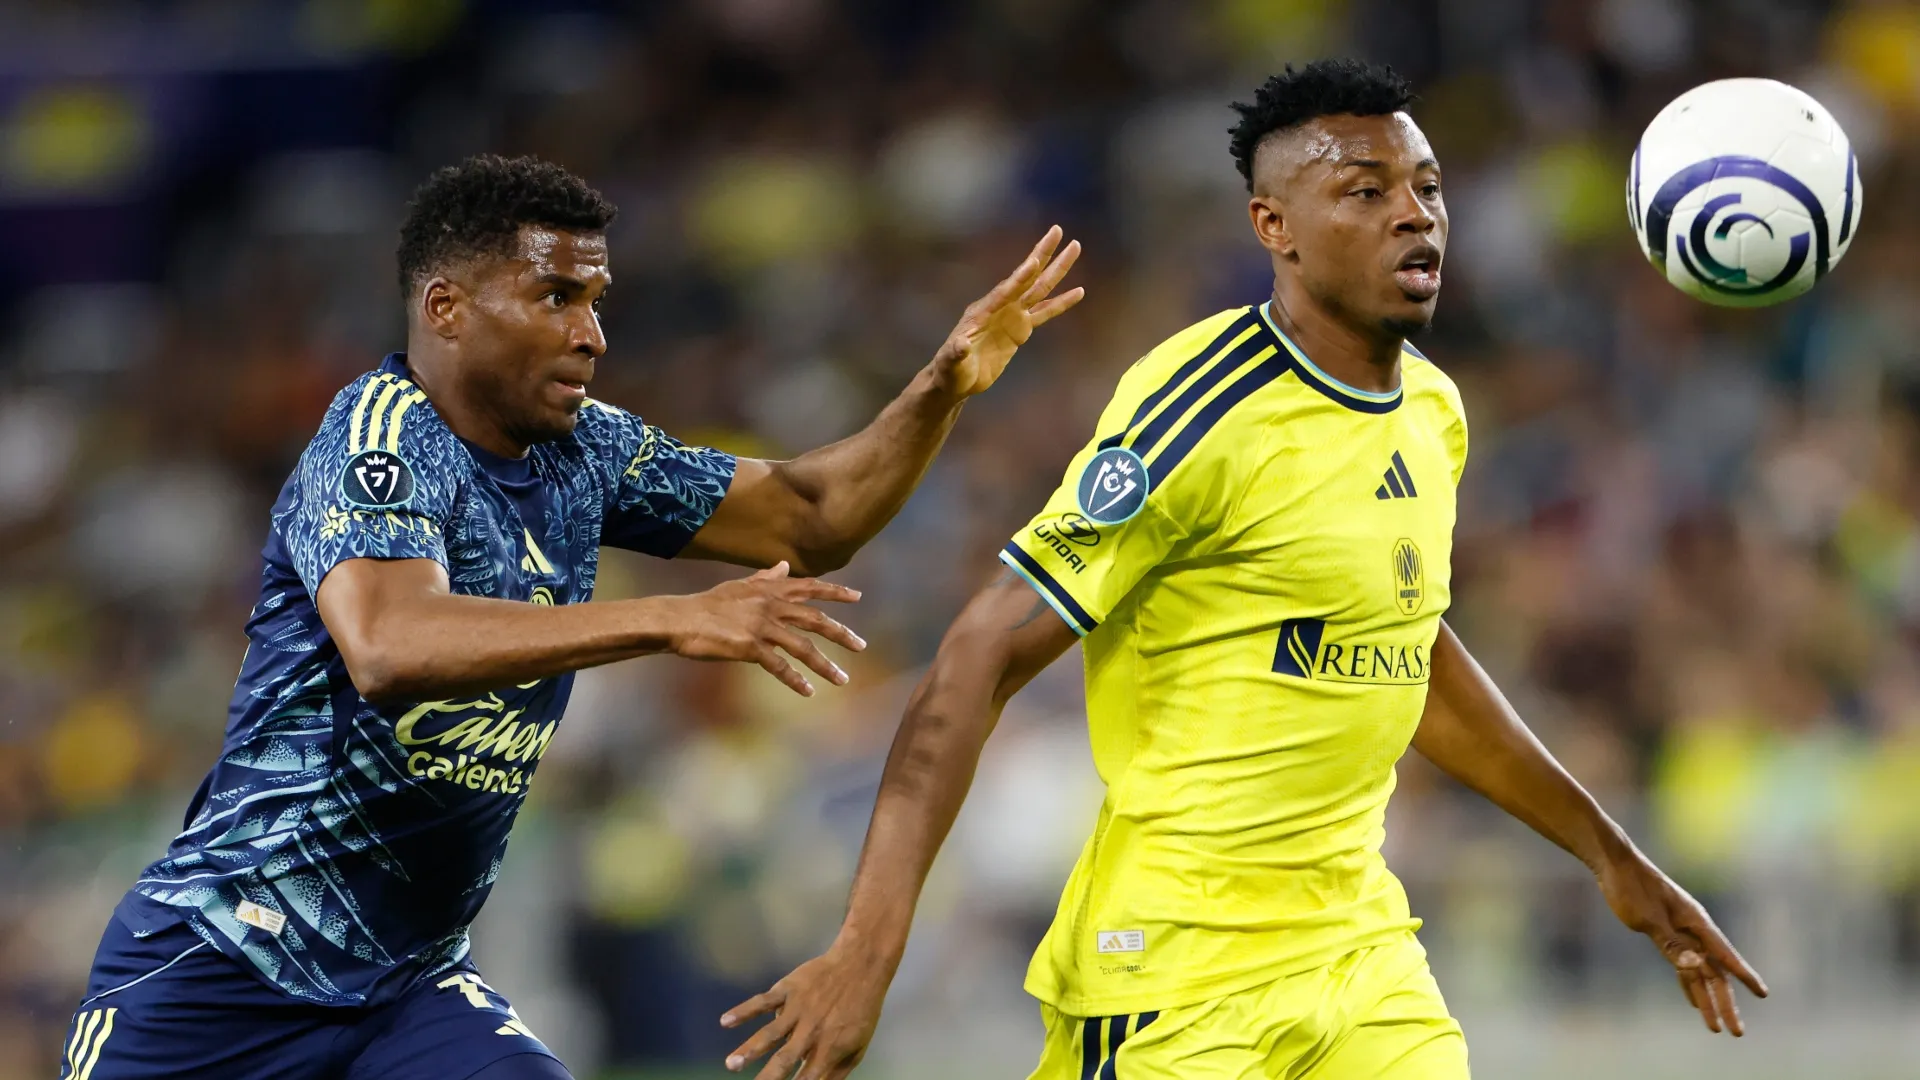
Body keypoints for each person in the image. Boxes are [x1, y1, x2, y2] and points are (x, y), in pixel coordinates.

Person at [721, 59, 1768, 1080]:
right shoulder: (1199, 407)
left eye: (1428, 187)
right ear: (1277, 229)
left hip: (1359, 957)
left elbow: (1407, 654)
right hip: (1174, 979)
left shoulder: (1431, 413)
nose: (1417, 214)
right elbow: (976, 655)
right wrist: (868, 950)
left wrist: (1610, 857)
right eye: (1367, 191)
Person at [54, 154, 1082, 1080]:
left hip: (407, 993)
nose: (591, 332)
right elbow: (389, 642)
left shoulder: (587, 452)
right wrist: (670, 622)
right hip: (222, 972)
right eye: (556, 295)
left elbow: (813, 519)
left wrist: (942, 388)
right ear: (448, 308)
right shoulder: (378, 439)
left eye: (595, 298)